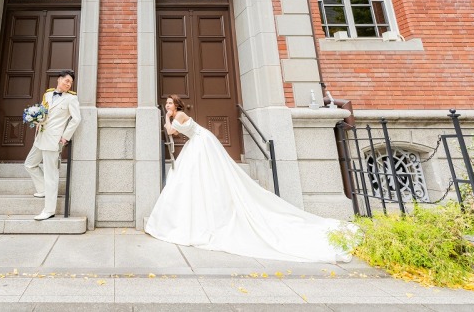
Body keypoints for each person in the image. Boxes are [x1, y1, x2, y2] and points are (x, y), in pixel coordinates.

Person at [145, 94, 353, 263]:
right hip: (196, 143)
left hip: (201, 142)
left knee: (204, 173)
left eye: (170, 103)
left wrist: (166, 117)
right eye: (167, 103)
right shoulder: (177, 116)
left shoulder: (179, 115)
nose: (168, 105)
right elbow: (173, 132)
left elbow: (171, 131)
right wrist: (167, 117)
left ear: (177, 105)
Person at [24, 69, 81, 221]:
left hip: (53, 140)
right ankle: (42, 189)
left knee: (51, 176)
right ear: (59, 79)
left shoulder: (71, 99)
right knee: (29, 164)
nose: (68, 84)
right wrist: (36, 120)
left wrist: (65, 137)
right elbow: (43, 113)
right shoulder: (48, 94)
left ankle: (49, 210)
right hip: (41, 136)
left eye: (70, 82)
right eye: (66, 81)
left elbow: (76, 119)